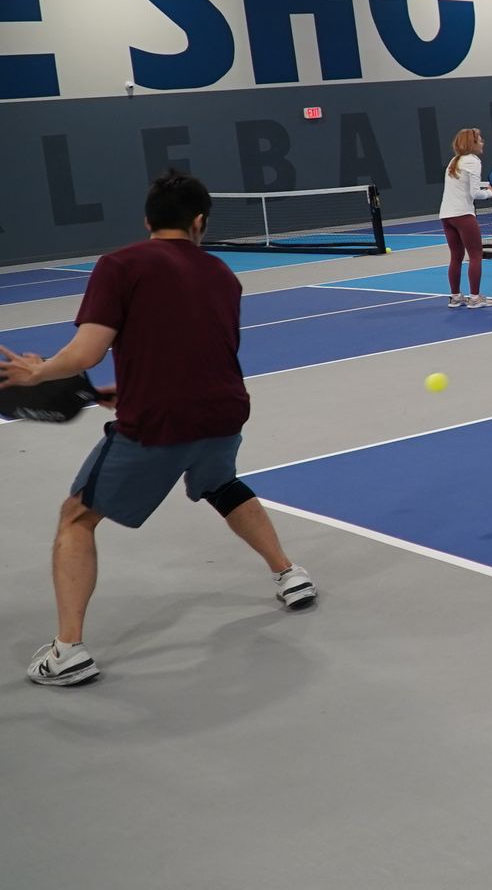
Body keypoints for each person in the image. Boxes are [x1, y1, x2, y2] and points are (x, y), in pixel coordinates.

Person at [2, 171, 316, 688]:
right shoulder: (222, 274)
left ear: (148, 220)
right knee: (221, 484)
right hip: (224, 412)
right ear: (199, 222)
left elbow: (87, 351)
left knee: (77, 515)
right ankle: (289, 573)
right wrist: (118, 390)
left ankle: (67, 650)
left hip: (160, 424)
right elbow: (200, 347)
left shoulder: (120, 264)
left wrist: (37, 372)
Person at [440, 127, 492, 306]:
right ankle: (475, 299)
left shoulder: (454, 161)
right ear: (473, 143)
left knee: (456, 257)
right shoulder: (473, 161)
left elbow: (464, 187)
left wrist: (485, 188)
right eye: (480, 139)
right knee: (476, 256)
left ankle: (455, 297)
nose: (483, 142)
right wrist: (491, 193)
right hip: (463, 215)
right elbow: (474, 193)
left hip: (446, 216)